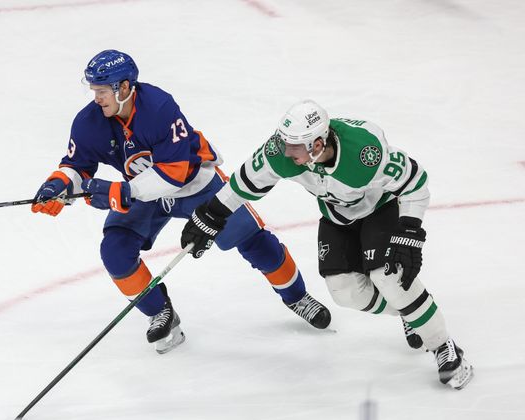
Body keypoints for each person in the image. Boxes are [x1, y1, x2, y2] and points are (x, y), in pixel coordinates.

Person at [31, 50, 331, 354]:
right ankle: (160, 312)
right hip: (143, 192)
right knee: (115, 250)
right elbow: (77, 165)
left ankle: (297, 296)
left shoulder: (158, 107)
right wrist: (60, 183)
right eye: (94, 91)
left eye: (103, 91)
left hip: (195, 184)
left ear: (124, 88)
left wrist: (124, 191)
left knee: (255, 241)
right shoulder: (88, 122)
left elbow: (175, 172)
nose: (97, 98)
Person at [180, 99, 473, 389]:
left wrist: (409, 231)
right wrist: (210, 214)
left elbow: (416, 183)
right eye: (285, 142)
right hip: (337, 216)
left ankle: (444, 347)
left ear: (317, 145)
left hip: (380, 209)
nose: (286, 151)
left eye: (294, 146)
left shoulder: (364, 153)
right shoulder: (281, 151)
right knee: (345, 293)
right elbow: (244, 183)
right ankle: (410, 312)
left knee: (389, 277)